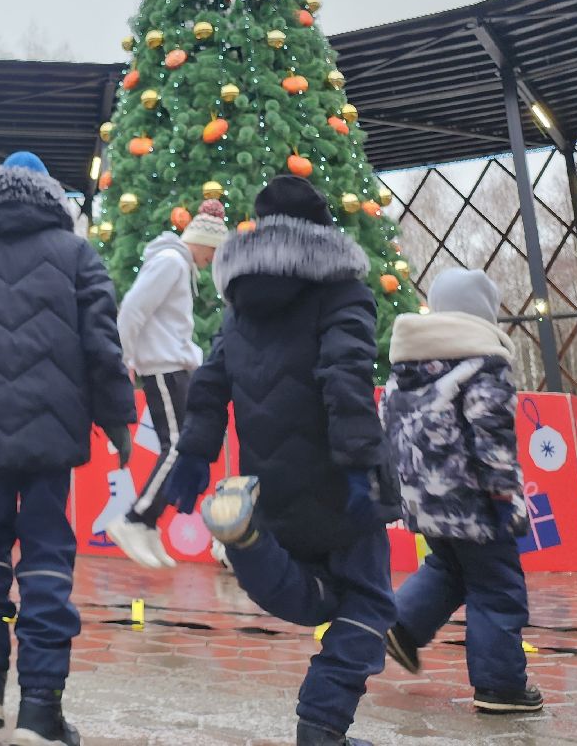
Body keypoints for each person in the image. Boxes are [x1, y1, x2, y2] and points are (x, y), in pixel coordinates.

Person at [164, 176, 399, 746]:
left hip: (269, 480)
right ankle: (322, 724)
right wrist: (359, 462)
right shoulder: (341, 287)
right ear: (323, 226)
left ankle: (247, 543)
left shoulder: (239, 301)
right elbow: (344, 377)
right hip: (334, 475)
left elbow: (210, 384)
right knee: (368, 604)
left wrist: (194, 454)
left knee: (310, 596)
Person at [0, 151, 135, 746]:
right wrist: (117, 415)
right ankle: (40, 708)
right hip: (50, 433)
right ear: (51, 198)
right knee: (45, 555)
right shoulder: (75, 254)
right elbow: (102, 342)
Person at [380, 268, 542, 714]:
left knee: (448, 566)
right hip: (475, 501)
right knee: (498, 588)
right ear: (483, 315)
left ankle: (402, 624)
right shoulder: (482, 363)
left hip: (425, 500)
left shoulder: (406, 368)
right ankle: (501, 687)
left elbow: (390, 431)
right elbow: (491, 432)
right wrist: (502, 490)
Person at [106, 199, 229, 568]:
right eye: (212, 252)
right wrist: (124, 358)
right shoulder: (171, 263)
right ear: (203, 243)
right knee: (176, 446)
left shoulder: (178, 264)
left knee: (179, 445)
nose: (211, 261)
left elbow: (165, 320)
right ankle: (134, 519)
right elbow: (133, 308)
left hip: (174, 364)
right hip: (162, 367)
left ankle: (146, 522)